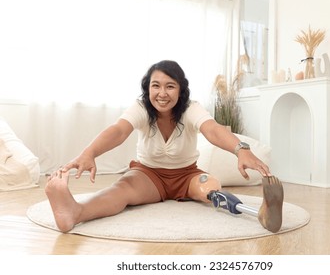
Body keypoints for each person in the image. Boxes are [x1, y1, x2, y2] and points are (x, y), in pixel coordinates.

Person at [45, 60, 283, 233]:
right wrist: (89, 153)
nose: (162, 93)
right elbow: (119, 130)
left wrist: (241, 149)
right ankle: (74, 212)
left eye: (170, 86)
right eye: (155, 86)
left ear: (181, 90)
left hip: (187, 175)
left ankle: (263, 212)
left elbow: (212, 129)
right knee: (122, 190)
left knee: (209, 187)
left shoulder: (191, 108)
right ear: (148, 88)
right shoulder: (140, 107)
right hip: (148, 175)